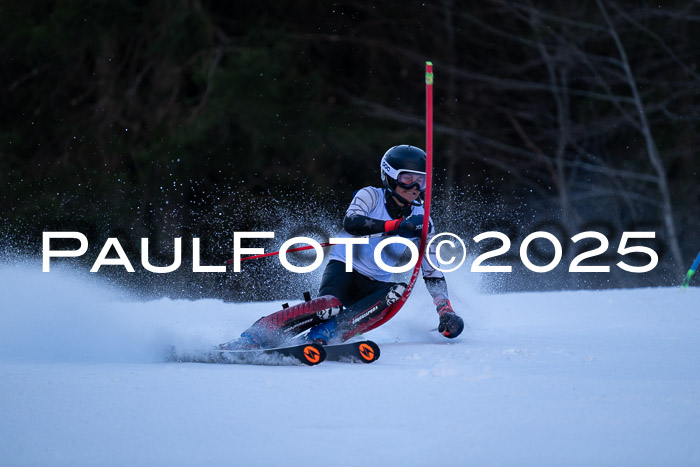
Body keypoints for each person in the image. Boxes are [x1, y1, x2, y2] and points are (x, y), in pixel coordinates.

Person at [220, 145, 464, 350]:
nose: (414, 187)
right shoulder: (371, 196)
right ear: (389, 176)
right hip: (344, 268)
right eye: (406, 179)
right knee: (329, 305)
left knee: (395, 292)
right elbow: (352, 222)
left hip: (374, 284)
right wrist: (397, 225)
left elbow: (432, 270)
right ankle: (255, 336)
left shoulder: (424, 219)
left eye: (420, 180)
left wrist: (445, 312)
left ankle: (325, 335)